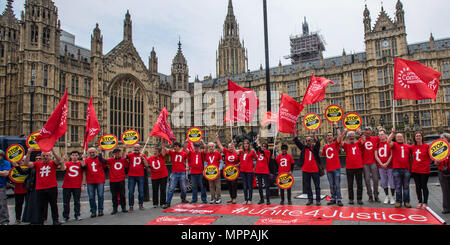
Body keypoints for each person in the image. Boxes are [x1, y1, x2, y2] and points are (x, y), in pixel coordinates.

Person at [24, 147, 62, 225]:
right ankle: (40, 220)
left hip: (52, 187)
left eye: (47, 156)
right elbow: (26, 164)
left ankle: (55, 220)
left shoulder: (52, 163)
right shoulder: (37, 164)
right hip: (40, 188)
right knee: (40, 206)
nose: (45, 157)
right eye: (43, 156)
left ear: (50, 157)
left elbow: (59, 160)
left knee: (53, 205)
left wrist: (53, 150)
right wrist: (28, 153)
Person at [293, 131, 322, 206]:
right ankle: (310, 199)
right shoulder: (303, 148)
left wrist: (314, 134)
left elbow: (318, 143)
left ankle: (318, 200)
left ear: (311, 141)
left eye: (309, 140)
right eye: (306, 141)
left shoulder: (315, 148)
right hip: (306, 170)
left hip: (315, 170)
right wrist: (294, 131)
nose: (308, 142)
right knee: (308, 186)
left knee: (317, 186)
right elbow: (297, 141)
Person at [387, 128, 412, 208]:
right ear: (396, 138)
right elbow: (388, 141)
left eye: (401, 137)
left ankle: (407, 201)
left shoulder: (408, 146)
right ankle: (398, 201)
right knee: (398, 186)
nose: (400, 138)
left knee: (406, 187)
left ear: (403, 137)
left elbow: (412, 157)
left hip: (406, 169)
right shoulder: (394, 145)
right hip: (396, 169)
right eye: (398, 137)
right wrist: (392, 133)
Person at [339, 129, 364, 205]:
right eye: (350, 136)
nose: (351, 137)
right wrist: (344, 132)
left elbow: (364, 139)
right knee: (350, 184)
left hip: (359, 167)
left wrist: (360, 133)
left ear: (354, 137)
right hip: (349, 168)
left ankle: (359, 199)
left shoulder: (358, 144)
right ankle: (351, 199)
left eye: (352, 136)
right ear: (348, 138)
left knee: (359, 184)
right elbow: (340, 141)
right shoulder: (346, 146)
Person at [82, 147, 107, 218]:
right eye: (90, 153)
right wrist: (83, 158)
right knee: (91, 197)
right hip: (90, 181)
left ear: (96, 152)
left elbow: (105, 165)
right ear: (88, 153)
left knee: (100, 196)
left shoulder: (100, 159)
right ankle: (93, 211)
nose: (92, 154)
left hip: (100, 180)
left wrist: (100, 153)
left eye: (93, 152)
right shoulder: (86, 160)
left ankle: (100, 210)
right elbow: (83, 167)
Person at [322, 123, 343, 206]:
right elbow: (323, 155)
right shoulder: (325, 147)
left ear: (333, 137)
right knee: (331, 185)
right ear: (326, 138)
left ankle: (339, 199)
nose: (329, 136)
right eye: (328, 136)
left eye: (330, 135)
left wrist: (337, 127)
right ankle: (333, 198)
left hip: (336, 168)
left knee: (337, 185)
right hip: (329, 169)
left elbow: (340, 137)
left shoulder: (335, 144)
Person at [162, 142, 189, 209]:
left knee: (183, 188)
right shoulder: (172, 153)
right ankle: (168, 202)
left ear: (179, 147)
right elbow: (165, 148)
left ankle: (183, 198)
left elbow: (186, 161)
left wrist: (187, 167)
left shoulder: (184, 153)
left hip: (182, 172)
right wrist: (163, 142)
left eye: (176, 146)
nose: (175, 147)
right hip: (174, 173)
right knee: (171, 188)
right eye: (174, 146)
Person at [60, 151, 85, 222]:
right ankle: (66, 216)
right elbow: (62, 169)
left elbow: (84, 169)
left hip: (77, 185)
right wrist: (62, 161)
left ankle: (77, 215)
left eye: (76, 155)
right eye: (73, 155)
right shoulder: (67, 163)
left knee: (77, 201)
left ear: (78, 156)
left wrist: (83, 185)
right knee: (66, 202)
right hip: (67, 185)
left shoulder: (80, 163)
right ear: (70, 156)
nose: (74, 157)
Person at [143, 142, 169, 208]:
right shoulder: (151, 158)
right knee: (155, 190)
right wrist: (143, 159)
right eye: (154, 151)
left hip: (163, 176)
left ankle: (162, 202)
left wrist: (163, 143)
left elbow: (164, 151)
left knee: (163, 189)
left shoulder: (162, 156)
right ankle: (155, 203)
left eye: (156, 151)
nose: (154, 153)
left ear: (159, 153)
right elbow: (146, 164)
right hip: (154, 177)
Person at [359, 126, 381, 202]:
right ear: (364, 132)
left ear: (371, 132)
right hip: (365, 163)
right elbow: (359, 146)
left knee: (375, 180)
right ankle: (370, 196)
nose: (367, 133)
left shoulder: (375, 138)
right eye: (366, 131)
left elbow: (385, 139)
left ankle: (376, 195)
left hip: (373, 162)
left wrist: (380, 130)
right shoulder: (361, 139)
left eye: (369, 131)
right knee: (367, 180)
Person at [410, 132, 431, 209]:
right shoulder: (412, 147)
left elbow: (432, 156)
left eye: (419, 136)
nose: (418, 137)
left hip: (425, 169)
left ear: (422, 137)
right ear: (414, 138)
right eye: (416, 136)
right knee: (418, 187)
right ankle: (420, 201)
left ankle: (425, 202)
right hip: (415, 169)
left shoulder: (427, 146)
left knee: (424, 186)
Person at [216, 134, 240, 204]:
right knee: (229, 185)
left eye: (232, 147)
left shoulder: (236, 153)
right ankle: (231, 198)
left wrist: (236, 165)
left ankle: (234, 198)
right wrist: (217, 139)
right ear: (228, 148)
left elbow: (240, 162)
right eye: (229, 147)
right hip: (227, 172)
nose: (230, 148)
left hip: (234, 172)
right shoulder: (226, 152)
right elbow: (220, 146)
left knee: (234, 185)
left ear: (234, 147)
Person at [125, 144, 149, 211]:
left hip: (140, 176)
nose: (136, 148)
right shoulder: (130, 155)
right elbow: (123, 157)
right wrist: (124, 149)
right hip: (131, 175)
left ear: (140, 148)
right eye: (135, 147)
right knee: (131, 192)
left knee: (141, 192)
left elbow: (147, 165)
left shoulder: (143, 155)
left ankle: (141, 205)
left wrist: (143, 158)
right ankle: (131, 206)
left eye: (137, 147)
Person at [374, 129, 395, 205]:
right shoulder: (377, 144)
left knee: (392, 182)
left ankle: (392, 196)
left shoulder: (389, 143)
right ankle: (387, 196)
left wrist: (386, 163)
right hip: (381, 167)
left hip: (390, 166)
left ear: (385, 135)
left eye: (382, 134)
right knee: (384, 182)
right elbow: (376, 155)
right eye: (380, 135)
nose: (381, 136)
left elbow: (392, 154)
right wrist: (381, 164)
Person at [183, 139, 207, 204]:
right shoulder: (191, 153)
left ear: (199, 147)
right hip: (193, 173)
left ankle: (204, 199)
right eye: (195, 147)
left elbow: (206, 149)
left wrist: (202, 142)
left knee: (202, 187)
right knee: (194, 187)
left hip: (201, 173)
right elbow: (185, 148)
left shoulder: (202, 153)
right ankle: (194, 199)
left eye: (197, 147)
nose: (196, 148)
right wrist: (186, 142)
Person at [105, 148, 128, 214]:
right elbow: (103, 161)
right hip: (113, 180)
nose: (118, 154)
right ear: (113, 154)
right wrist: (100, 152)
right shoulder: (110, 160)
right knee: (114, 195)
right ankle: (115, 208)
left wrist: (124, 150)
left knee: (122, 195)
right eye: (116, 153)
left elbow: (127, 166)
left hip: (121, 180)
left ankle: (123, 208)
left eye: (119, 153)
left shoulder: (123, 160)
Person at [22, 154, 41, 224]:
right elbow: (24, 172)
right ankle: (32, 219)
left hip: (41, 188)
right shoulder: (32, 167)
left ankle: (40, 219)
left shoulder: (44, 166)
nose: (38, 160)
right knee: (31, 204)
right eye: (37, 159)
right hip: (32, 188)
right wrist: (16, 166)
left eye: (39, 158)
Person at [253, 134, 271, 205]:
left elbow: (261, 149)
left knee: (266, 186)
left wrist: (259, 144)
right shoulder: (259, 152)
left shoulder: (267, 152)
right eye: (263, 146)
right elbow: (254, 145)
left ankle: (268, 199)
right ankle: (261, 199)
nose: (263, 147)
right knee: (259, 186)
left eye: (265, 146)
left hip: (265, 171)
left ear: (266, 147)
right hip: (258, 171)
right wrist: (257, 138)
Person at [238, 139, 257, 205]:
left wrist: (254, 168)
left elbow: (257, 159)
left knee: (249, 186)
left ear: (249, 145)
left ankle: (250, 199)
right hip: (243, 171)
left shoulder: (252, 152)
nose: (245, 145)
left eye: (247, 144)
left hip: (249, 171)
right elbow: (235, 152)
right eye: (244, 144)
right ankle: (245, 199)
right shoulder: (241, 152)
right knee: (245, 186)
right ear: (243, 145)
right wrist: (232, 145)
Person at [436, 133, 450, 214]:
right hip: (442, 170)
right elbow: (435, 162)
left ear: (447, 139)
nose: (441, 139)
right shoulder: (438, 149)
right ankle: (446, 208)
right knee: (445, 190)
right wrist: (436, 161)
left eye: (443, 138)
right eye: (440, 138)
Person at [10, 160, 28, 224]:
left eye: (23, 161)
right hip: (18, 190)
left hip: (27, 189)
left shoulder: (28, 168)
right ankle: (18, 219)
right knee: (18, 206)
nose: (21, 162)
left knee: (28, 205)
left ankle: (29, 218)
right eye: (20, 161)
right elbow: (11, 178)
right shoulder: (14, 169)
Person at [0, 149, 11, 225]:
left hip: (1, 186)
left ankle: (4, 221)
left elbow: (6, 173)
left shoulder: (6, 163)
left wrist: (1, 173)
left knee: (2, 204)